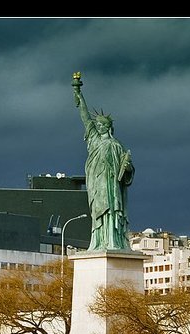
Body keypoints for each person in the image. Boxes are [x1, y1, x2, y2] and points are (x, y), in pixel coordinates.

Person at [73, 73, 134, 251]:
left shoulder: (116, 145)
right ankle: (99, 241)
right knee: (97, 213)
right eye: (97, 125)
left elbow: (127, 169)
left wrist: (128, 168)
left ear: (108, 127)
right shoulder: (94, 139)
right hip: (96, 183)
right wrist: (79, 94)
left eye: (102, 125)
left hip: (111, 184)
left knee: (112, 211)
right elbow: (85, 118)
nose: (98, 127)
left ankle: (113, 241)